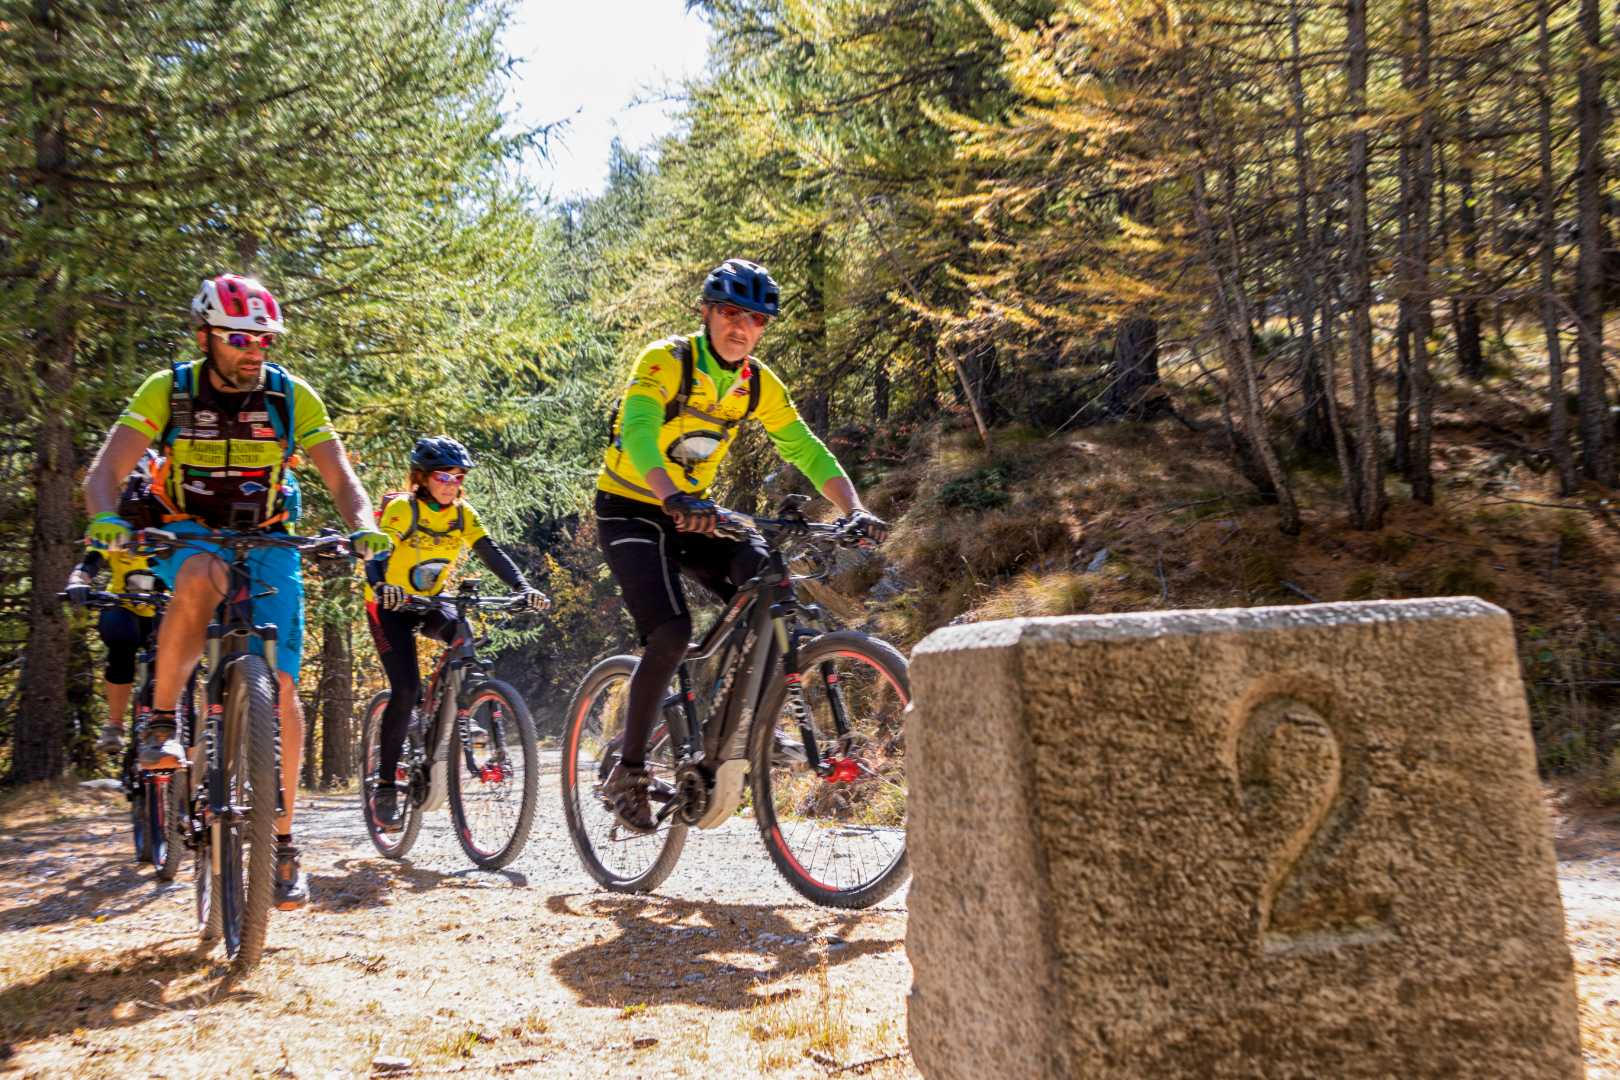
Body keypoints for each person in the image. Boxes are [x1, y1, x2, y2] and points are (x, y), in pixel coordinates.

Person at [81, 273, 391, 910]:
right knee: (198, 576)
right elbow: (105, 473)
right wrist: (107, 517)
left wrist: (362, 525)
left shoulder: (288, 396)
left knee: (279, 688)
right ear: (205, 337)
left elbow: (341, 477)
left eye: (264, 340)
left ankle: (281, 846)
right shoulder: (169, 389)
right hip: (189, 529)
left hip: (270, 535)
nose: (254, 351)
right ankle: (162, 721)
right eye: (238, 338)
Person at [595, 258, 888, 832]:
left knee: (765, 578)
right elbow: (637, 431)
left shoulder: (756, 383)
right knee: (672, 634)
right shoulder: (665, 360)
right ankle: (627, 770)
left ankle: (746, 719)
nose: (740, 326)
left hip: (696, 513)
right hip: (631, 505)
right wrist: (671, 494)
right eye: (730, 312)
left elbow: (804, 447)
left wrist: (854, 508)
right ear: (706, 313)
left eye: (754, 319)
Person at [365, 436, 549, 831]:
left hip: (429, 600)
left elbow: (489, 550)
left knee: (465, 637)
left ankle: (461, 708)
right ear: (422, 477)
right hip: (389, 605)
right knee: (405, 690)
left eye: (458, 476)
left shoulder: (462, 514)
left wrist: (523, 588)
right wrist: (381, 586)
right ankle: (384, 786)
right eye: (442, 475)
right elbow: (378, 551)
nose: (451, 483)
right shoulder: (403, 508)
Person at [65, 451, 168, 753]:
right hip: (125, 602)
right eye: (127, 487)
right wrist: (78, 582)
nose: (135, 494)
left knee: (175, 655)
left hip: (167, 605)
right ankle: (114, 725)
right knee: (120, 638)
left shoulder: (176, 521)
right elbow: (92, 560)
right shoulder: (116, 522)